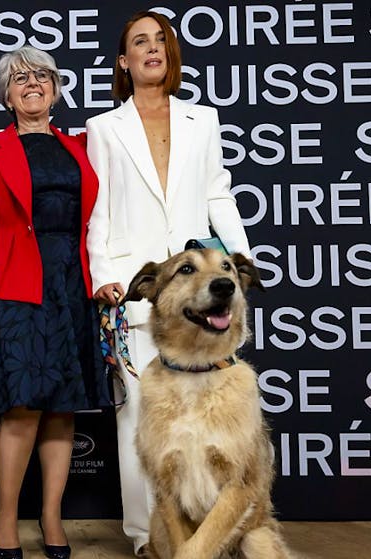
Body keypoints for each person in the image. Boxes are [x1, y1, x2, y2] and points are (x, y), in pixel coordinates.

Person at [85, 10, 252, 558]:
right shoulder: (104, 127)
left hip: (197, 294)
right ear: (124, 61)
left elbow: (218, 193)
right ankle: (146, 537)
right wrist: (106, 277)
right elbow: (99, 209)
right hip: (138, 290)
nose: (152, 48)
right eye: (140, 41)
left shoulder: (204, 120)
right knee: (140, 417)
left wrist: (241, 260)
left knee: (201, 422)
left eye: (160, 40)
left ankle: (203, 537)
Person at [0, 46, 113, 559]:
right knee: (23, 408)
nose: (32, 84)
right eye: (20, 78)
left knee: (62, 409)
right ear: (6, 95)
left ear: (56, 88)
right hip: (15, 286)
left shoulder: (82, 145)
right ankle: (6, 517)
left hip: (72, 284)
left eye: (42, 76)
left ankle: (51, 516)